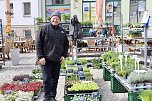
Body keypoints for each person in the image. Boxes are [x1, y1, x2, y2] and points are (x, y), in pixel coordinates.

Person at [36, 11, 69, 101]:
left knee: (55, 79)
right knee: (47, 79)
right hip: (45, 60)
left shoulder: (62, 31)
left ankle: (52, 96)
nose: (55, 20)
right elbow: (38, 43)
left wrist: (63, 56)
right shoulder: (44, 28)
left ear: (59, 20)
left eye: (57, 18)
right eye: (53, 18)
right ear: (51, 19)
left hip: (57, 60)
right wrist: (40, 57)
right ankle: (46, 97)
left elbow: (66, 44)